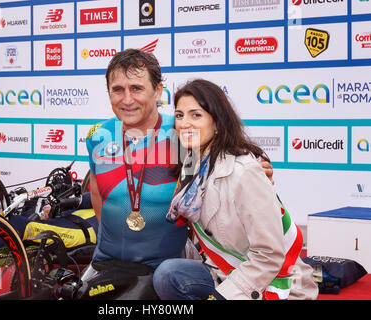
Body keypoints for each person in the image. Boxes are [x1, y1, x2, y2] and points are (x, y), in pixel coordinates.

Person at [85, 50, 276, 271]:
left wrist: (253, 172)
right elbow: (98, 193)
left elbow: (227, 166)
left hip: (165, 271)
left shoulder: (184, 132)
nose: (127, 100)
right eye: (118, 90)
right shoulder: (97, 136)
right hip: (105, 263)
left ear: (157, 91)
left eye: (136, 88)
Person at [152, 79, 318, 300]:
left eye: (196, 115)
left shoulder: (245, 171)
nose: (184, 123)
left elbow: (269, 255)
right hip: (222, 272)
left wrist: (222, 297)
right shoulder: (191, 166)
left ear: (218, 122)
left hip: (275, 280)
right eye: (180, 115)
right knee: (168, 274)